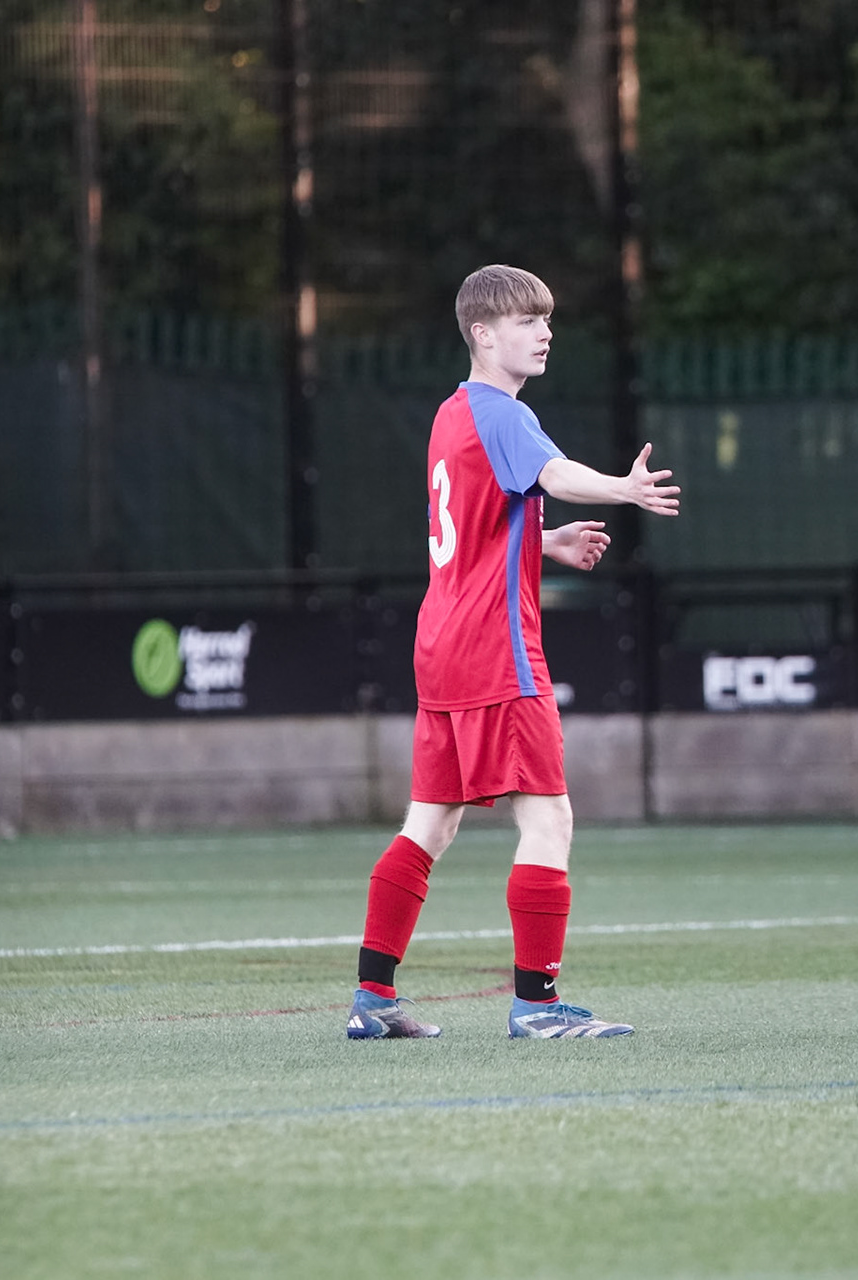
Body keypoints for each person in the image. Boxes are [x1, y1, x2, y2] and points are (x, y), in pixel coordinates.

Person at [346, 264, 679, 1041]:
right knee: (549, 818)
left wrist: (544, 540)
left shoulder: (452, 412)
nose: (544, 333)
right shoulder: (503, 413)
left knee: (430, 826)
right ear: (483, 334)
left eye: (547, 320)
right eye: (527, 321)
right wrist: (624, 489)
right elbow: (553, 473)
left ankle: (373, 998)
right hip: (495, 649)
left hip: (441, 645)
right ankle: (537, 1005)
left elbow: (477, 524)